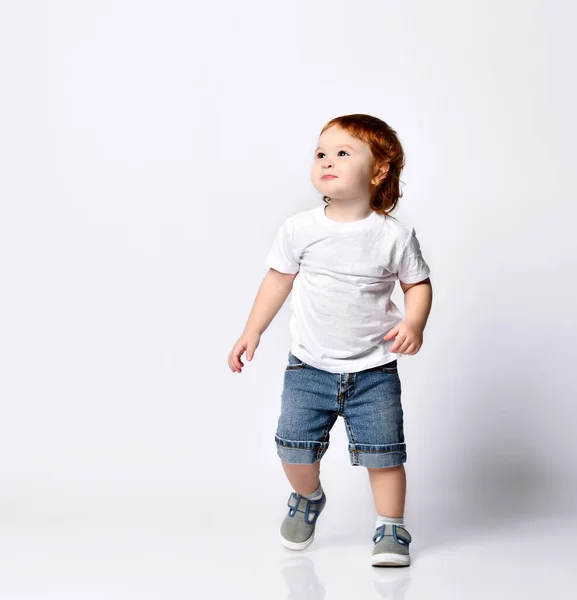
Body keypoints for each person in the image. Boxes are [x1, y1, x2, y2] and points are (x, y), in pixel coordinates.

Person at [227, 114, 433, 567]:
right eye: (321, 152)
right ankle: (307, 497)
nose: (327, 160)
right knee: (293, 448)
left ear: (378, 171)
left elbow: (417, 284)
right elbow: (277, 281)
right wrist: (252, 331)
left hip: (374, 369)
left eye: (343, 153)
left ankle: (392, 526)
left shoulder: (392, 235)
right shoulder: (300, 229)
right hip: (309, 367)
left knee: (385, 454)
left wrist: (414, 322)